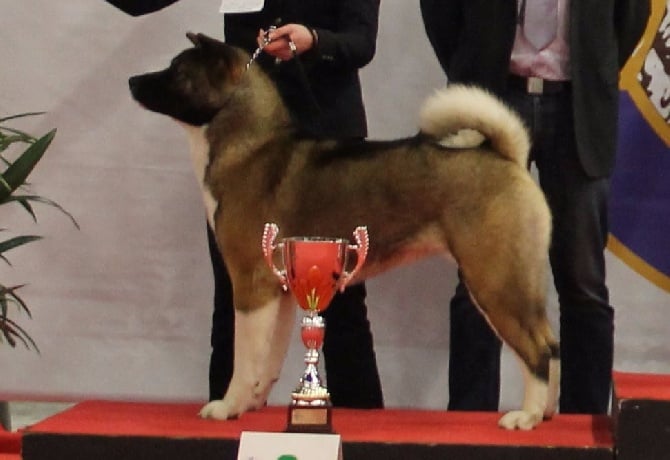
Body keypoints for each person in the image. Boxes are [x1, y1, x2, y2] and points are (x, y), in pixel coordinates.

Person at [104, 0, 384, 409]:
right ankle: (227, 420)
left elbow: (361, 42)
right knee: (234, 291)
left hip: (325, 142)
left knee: (339, 301)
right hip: (244, 144)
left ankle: (366, 436)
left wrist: (314, 40)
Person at [420, 0, 650, 414]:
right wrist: (471, 64)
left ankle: (585, 425)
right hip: (494, 100)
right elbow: (441, 12)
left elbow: (632, 14)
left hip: (577, 107)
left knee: (584, 282)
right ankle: (469, 424)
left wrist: (596, 63)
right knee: (479, 279)